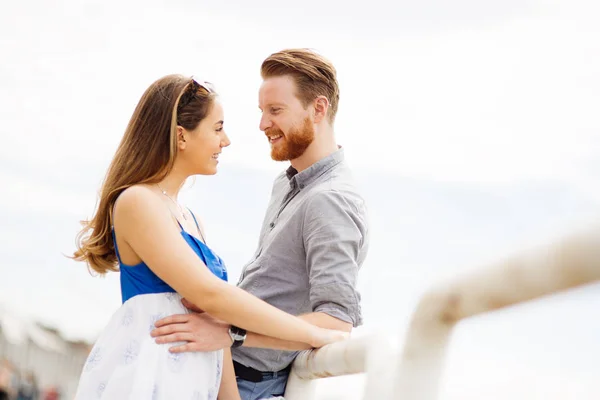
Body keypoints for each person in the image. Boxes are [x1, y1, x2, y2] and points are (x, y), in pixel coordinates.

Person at [71, 74, 347, 399]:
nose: (225, 140)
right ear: (181, 136)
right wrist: (315, 335)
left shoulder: (192, 221)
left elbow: (216, 322)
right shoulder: (137, 202)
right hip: (148, 379)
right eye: (217, 128)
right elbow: (211, 295)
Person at [152, 49, 370, 400]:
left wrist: (232, 331)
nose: (262, 124)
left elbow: (336, 323)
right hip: (217, 370)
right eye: (262, 111)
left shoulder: (330, 199)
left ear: (318, 109)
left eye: (275, 110)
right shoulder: (286, 184)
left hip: (249, 384)